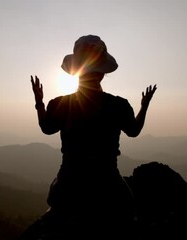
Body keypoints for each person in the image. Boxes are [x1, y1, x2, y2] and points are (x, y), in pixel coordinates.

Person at [29, 35, 157, 239]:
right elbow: (134, 131)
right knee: (128, 211)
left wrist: (39, 103)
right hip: (107, 183)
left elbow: (47, 128)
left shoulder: (59, 103)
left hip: (69, 182)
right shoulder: (118, 105)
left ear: (75, 71)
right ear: (103, 74)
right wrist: (144, 106)